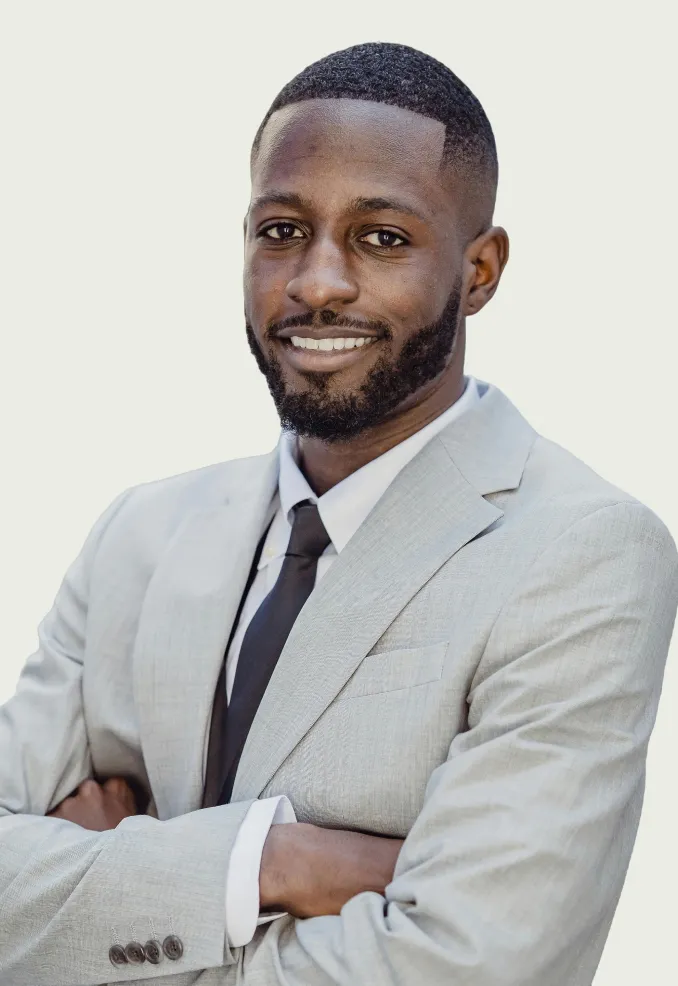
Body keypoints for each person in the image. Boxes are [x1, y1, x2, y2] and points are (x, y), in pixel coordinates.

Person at [0, 41, 676, 986]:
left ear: (480, 270)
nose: (318, 282)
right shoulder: (138, 535)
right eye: (281, 231)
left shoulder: (583, 553)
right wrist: (268, 864)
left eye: (381, 238)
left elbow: (467, 968)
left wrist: (89, 903)